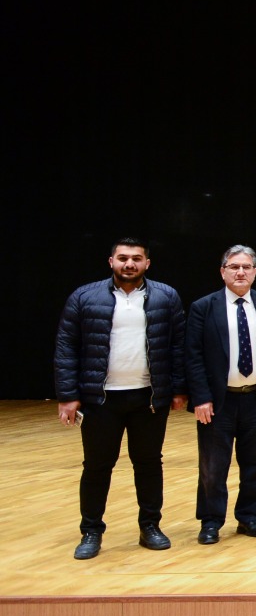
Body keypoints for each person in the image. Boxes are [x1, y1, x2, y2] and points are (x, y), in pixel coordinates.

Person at [54, 238, 188, 560]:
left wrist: (180, 388)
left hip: (149, 398)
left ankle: (150, 527)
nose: (130, 264)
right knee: (97, 467)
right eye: (123, 258)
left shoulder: (166, 296)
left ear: (147, 263)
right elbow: (66, 347)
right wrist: (68, 396)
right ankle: (91, 531)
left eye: (137, 259)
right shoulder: (84, 296)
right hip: (100, 400)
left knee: (149, 464)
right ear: (111, 261)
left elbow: (177, 346)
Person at [186, 245, 256, 544]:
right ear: (222, 271)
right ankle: (211, 521)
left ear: (255, 271)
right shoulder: (204, 306)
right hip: (218, 401)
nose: (240, 272)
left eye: (247, 267)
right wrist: (201, 397)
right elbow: (193, 354)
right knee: (214, 466)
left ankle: (249, 517)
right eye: (234, 266)